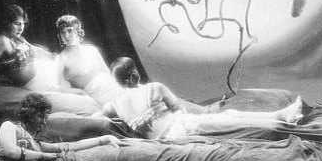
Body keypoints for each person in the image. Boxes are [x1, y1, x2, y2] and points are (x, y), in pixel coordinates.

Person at [93, 56, 304, 139]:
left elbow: (95, 117)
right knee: (231, 117)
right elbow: (179, 109)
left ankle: (282, 116)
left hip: (162, 141)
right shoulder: (154, 88)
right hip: (180, 128)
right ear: (134, 74)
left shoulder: (115, 103)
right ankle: (282, 116)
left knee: (228, 117)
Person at [54, 15, 123, 106]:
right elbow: (58, 86)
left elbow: (107, 72)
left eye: (69, 30)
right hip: (96, 95)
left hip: (111, 85)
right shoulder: (61, 58)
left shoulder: (91, 50)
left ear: (77, 31)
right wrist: (79, 92)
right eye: (63, 33)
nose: (66, 36)